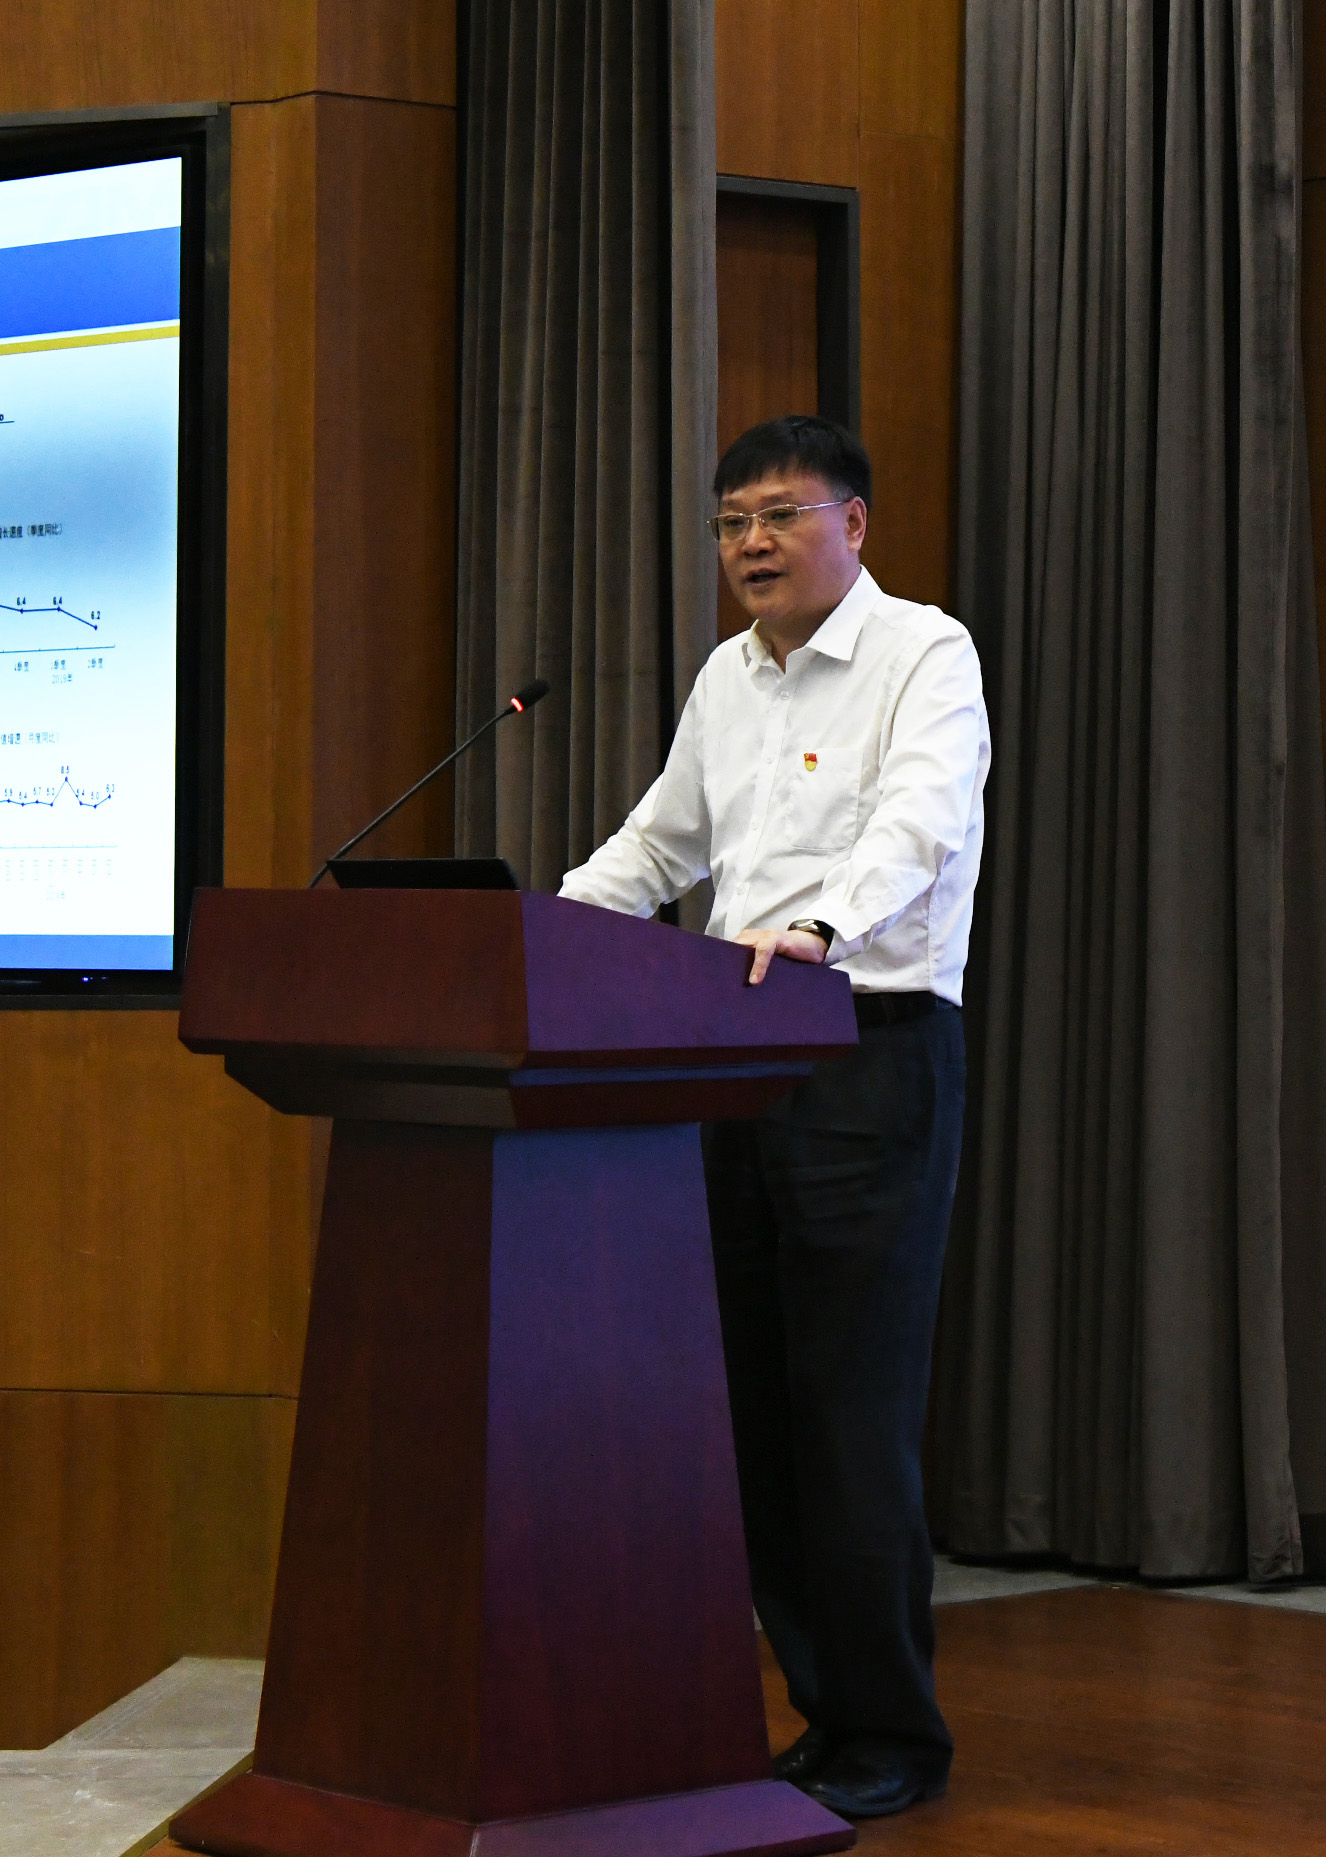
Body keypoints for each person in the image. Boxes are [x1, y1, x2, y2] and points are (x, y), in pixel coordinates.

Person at [559, 414, 990, 1820]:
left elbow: (919, 825)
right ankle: (823, 1712)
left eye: (780, 514)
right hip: (727, 1056)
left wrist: (818, 927)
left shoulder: (924, 653)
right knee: (755, 1406)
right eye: (731, 521)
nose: (751, 542)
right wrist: (543, 933)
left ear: (852, 523)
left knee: (849, 1412)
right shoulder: (726, 676)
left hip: (868, 1047)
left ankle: (895, 1734)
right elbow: (662, 840)